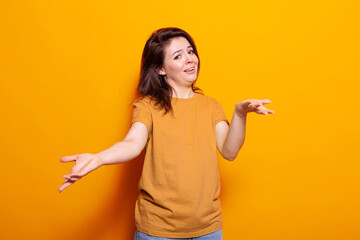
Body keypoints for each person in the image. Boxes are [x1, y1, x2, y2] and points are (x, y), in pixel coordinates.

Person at [58, 27, 274, 240]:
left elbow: (229, 151)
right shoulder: (147, 107)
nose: (190, 59)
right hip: (157, 231)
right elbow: (132, 144)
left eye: (190, 51)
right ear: (160, 69)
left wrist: (240, 114)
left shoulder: (211, 106)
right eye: (178, 56)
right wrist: (99, 158)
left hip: (208, 229)